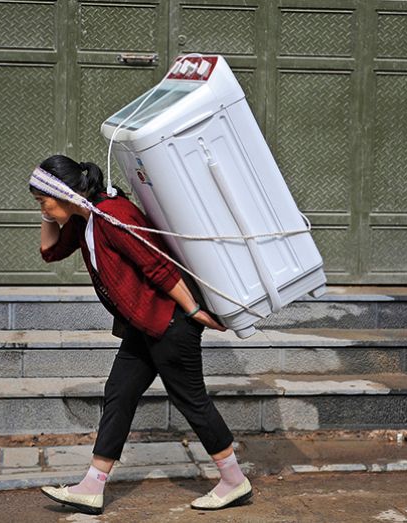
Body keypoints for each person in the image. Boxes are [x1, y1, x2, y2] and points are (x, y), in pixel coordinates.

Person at [30, 155, 252, 515]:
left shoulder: (112, 215)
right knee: (119, 392)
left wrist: (194, 311)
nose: (42, 209)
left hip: (169, 321)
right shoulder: (85, 218)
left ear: (65, 192)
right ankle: (92, 485)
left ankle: (233, 480)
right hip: (142, 324)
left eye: (43, 201)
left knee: (190, 399)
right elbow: (49, 251)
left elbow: (158, 266)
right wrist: (49, 212)